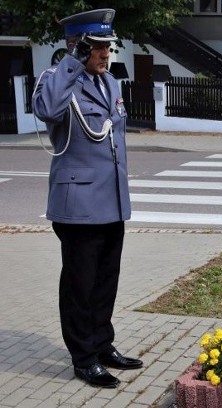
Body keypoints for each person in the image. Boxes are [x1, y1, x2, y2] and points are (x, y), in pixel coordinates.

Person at [32, 8, 142, 388]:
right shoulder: (56, 81)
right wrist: (72, 63)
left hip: (110, 201)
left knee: (105, 281)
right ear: (77, 47)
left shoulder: (110, 83)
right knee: (80, 284)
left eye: (107, 47)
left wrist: (122, 197)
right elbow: (47, 110)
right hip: (78, 206)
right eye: (96, 47)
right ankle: (83, 357)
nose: (104, 54)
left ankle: (102, 343)